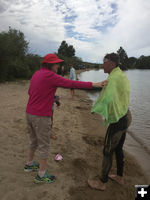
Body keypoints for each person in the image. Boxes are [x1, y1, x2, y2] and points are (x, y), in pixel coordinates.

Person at [24, 53, 107, 184]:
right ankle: (41, 175)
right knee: (44, 145)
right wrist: (95, 84)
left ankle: (29, 164)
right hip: (41, 116)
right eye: (57, 64)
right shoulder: (51, 76)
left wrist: (48, 96)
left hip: (29, 113)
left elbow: (31, 92)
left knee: (33, 141)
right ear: (51, 65)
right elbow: (71, 83)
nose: (58, 66)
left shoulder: (36, 74)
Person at [88, 53, 132, 191]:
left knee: (107, 150)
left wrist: (95, 108)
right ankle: (119, 176)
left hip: (118, 121)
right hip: (126, 116)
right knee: (118, 148)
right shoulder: (120, 75)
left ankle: (102, 182)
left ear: (112, 63)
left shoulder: (113, 78)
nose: (102, 65)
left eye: (104, 61)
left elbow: (107, 98)